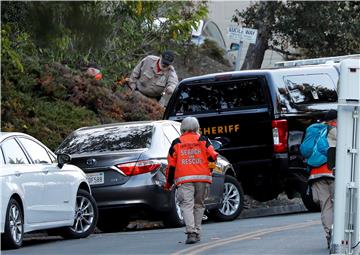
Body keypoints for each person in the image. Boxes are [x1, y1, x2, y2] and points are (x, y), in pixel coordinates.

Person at [164, 117, 218, 244]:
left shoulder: (176, 142)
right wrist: (209, 168)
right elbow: (213, 156)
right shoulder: (203, 140)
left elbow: (171, 166)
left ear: (182, 127)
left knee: (187, 205)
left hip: (184, 180)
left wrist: (169, 183)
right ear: (197, 127)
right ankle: (197, 231)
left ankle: (191, 233)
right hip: (202, 178)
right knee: (199, 205)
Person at [307, 109, 337, 249]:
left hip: (315, 174)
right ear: (333, 121)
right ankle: (339, 235)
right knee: (340, 204)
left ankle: (330, 234)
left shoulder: (315, 131)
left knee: (326, 206)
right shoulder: (334, 131)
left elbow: (306, 151)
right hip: (333, 172)